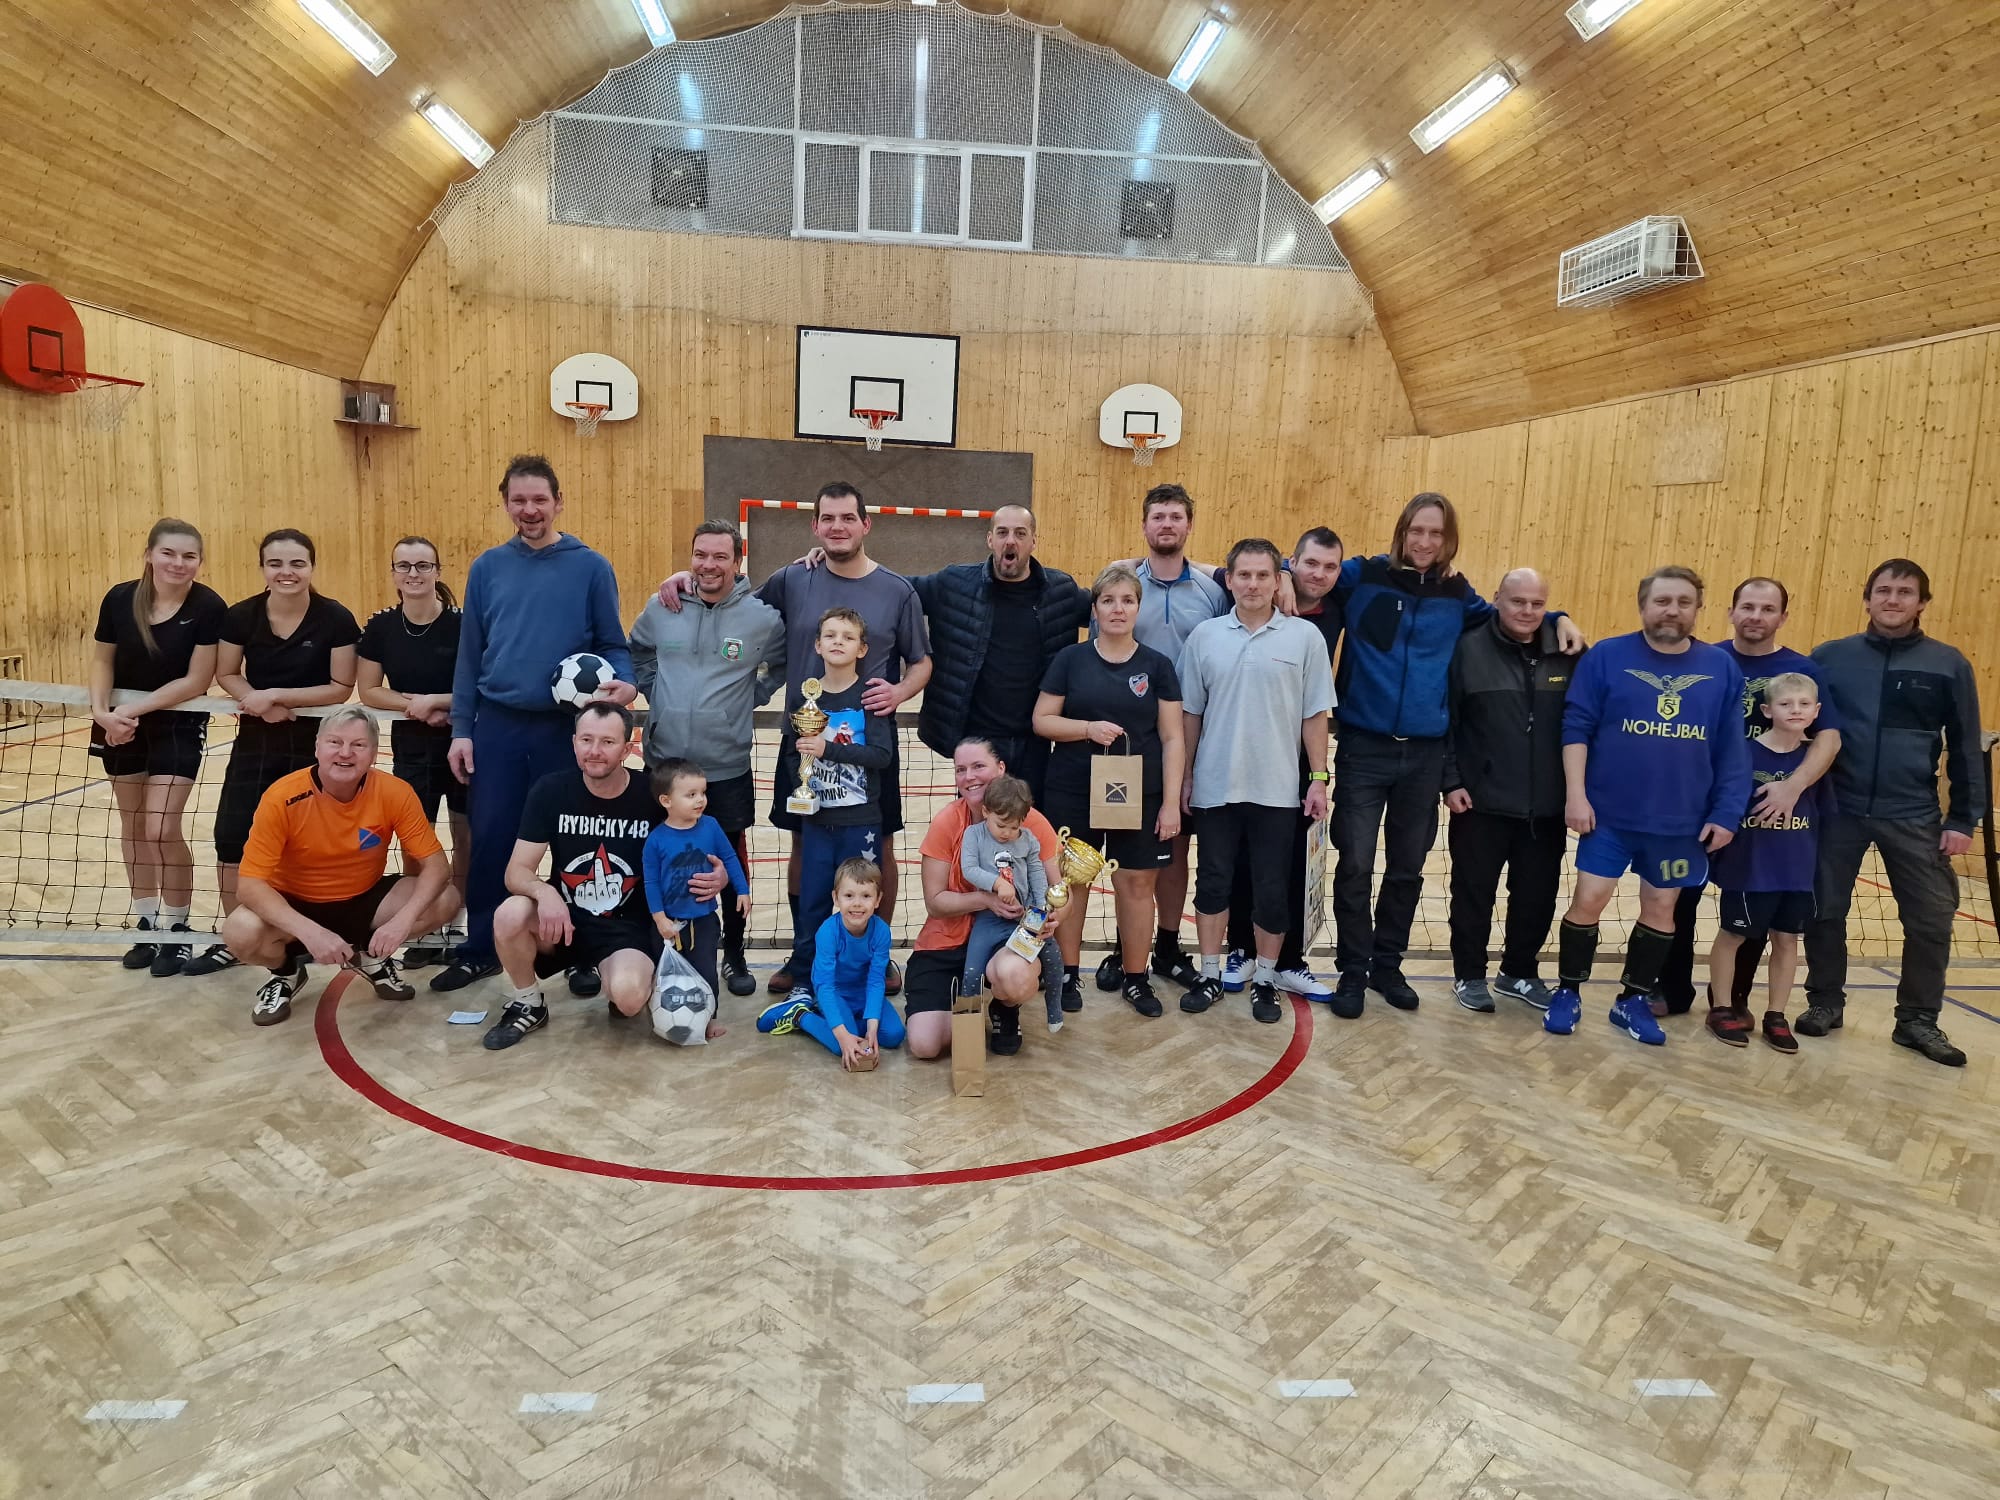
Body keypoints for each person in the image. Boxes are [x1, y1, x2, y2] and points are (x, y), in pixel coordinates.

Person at [657, 483, 931, 996]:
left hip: (867, 743)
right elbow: (734, 603)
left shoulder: (897, 591)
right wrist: (687, 580)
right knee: (804, 843)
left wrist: (899, 692)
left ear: (866, 524)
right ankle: (805, 955)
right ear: (815, 525)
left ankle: (877, 952)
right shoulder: (793, 578)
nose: (837, 527)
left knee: (878, 847)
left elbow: (921, 661)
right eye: (828, 518)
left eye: (847, 518)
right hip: (802, 739)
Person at [1324, 494, 1586, 1018]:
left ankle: (1387, 967)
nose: (1425, 542)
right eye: (1417, 530)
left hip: (1424, 757)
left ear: (1449, 540)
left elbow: (1512, 617)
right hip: (1363, 750)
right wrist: (1286, 576)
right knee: (1355, 865)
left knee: (1407, 869)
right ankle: (1352, 970)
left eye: (1436, 533)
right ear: (1402, 531)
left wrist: (1557, 616)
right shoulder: (1362, 576)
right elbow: (1311, 573)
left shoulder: (1458, 595)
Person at [437, 455, 636, 994]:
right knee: (492, 836)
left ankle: (580, 951)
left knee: (574, 840)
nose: (530, 510)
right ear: (506, 504)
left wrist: (627, 682)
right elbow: (470, 657)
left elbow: (612, 643)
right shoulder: (487, 568)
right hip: (498, 727)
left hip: (564, 730)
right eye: (519, 500)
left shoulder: (591, 567)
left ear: (558, 502)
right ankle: (481, 947)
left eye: (539, 500)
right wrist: (462, 728)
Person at [1551, 566, 1750, 1046]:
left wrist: (1726, 813)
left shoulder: (1721, 667)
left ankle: (1632, 1000)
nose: (1672, 610)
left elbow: (1732, 748)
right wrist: (1576, 795)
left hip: (1680, 825)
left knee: (1662, 908)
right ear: (1643, 605)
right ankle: (1568, 992)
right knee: (1588, 901)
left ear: (1698, 610)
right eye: (1662, 601)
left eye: (1683, 602)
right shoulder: (1607, 656)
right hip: (1608, 818)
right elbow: (1576, 727)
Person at [1801, 559, 1987, 1066]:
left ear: (1922, 603)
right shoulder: (1830, 658)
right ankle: (1824, 1001)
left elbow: (1966, 746)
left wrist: (1962, 819)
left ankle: (1917, 1020)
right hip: (1838, 807)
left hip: (1913, 812)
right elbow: (1802, 728)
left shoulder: (1948, 664)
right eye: (1883, 590)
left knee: (1931, 919)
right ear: (1867, 599)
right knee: (1823, 910)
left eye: (1905, 592)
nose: (1892, 600)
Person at [1656, 577, 1843, 1014]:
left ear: (1783, 617)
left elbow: (1829, 737)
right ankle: (1671, 989)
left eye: (1767, 609)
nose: (1756, 617)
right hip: (1699, 807)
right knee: (1677, 895)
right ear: (1731, 611)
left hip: (1764, 811)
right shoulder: (1706, 659)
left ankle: (1733, 998)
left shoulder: (1802, 670)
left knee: (1757, 905)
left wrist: (1792, 788)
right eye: (1748, 607)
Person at [183, 529, 360, 977]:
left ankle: (306, 933)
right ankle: (236, 937)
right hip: (256, 744)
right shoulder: (241, 616)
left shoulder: (336, 618)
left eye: (297, 563)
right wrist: (255, 701)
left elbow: (341, 687)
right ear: (262, 567)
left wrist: (277, 697)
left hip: (317, 749)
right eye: (276, 563)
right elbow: (227, 672)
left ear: (311, 567)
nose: (287, 572)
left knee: (310, 845)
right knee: (232, 837)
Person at [1177, 539, 1334, 1024]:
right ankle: (1209, 973)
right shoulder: (1204, 637)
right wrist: (1185, 777)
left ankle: (1266, 980)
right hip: (1215, 787)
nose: (1252, 584)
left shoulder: (1305, 638)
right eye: (1243, 575)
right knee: (1213, 883)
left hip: (1277, 790)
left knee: (1271, 888)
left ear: (1277, 579)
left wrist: (1318, 778)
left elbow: (1315, 714)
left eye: (1263, 575)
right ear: (1229, 580)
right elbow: (1190, 714)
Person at [222, 707, 457, 1026]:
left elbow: (437, 867)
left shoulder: (394, 792)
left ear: (373, 753)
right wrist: (310, 932)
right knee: (239, 931)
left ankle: (371, 958)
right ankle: (285, 974)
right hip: (296, 903)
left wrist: (402, 922)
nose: (345, 753)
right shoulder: (282, 797)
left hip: (364, 899)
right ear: (317, 747)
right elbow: (249, 885)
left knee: (446, 899)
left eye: (358, 745)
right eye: (335, 742)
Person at [628, 519, 784, 997]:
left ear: (737, 561)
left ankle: (733, 953)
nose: (708, 565)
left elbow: (781, 666)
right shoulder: (663, 605)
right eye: (701, 555)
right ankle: (655, 948)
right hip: (664, 764)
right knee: (658, 860)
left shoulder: (762, 618)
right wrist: (656, 693)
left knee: (728, 863)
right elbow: (637, 651)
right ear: (691, 557)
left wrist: (748, 699)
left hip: (725, 767)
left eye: (720, 556)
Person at [1034, 563, 1185, 1019]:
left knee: (1136, 883)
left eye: (1127, 601)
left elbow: (1173, 737)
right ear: (1095, 609)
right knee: (1073, 880)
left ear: (1138, 608)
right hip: (1073, 790)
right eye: (1108, 600)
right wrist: (1086, 729)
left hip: (1140, 795)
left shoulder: (1157, 666)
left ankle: (1136, 978)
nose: (1118, 609)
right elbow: (1042, 720)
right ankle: (1066, 973)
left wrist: (1171, 803)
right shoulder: (1070, 659)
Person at [89, 518, 227, 977]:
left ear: (199, 561)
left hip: (176, 724)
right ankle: (147, 924)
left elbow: (197, 679)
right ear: (149, 554)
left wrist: (134, 709)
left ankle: (178, 928)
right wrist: (103, 714)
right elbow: (102, 660)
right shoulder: (119, 598)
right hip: (119, 724)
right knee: (132, 825)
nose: (178, 563)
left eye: (189, 556)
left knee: (161, 827)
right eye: (168, 553)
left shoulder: (208, 606)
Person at [482, 703, 661, 1051]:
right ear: (574, 743)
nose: (594, 751)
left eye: (607, 742)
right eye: (586, 739)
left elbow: (690, 844)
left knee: (628, 1000)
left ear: (627, 749)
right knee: (509, 913)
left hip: (625, 927)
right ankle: (528, 1003)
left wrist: (714, 872)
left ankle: (617, 978)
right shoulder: (551, 790)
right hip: (561, 921)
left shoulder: (651, 794)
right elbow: (516, 871)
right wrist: (545, 894)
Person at [1216, 527, 1344, 1003]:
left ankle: (1288, 961)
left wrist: (1319, 776)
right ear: (1291, 565)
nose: (1319, 574)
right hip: (1238, 754)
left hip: (1296, 759)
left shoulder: (1337, 607)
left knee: (1288, 864)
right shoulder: (1244, 597)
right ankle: (1241, 949)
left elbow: (1316, 711)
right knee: (1239, 860)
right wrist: (1279, 577)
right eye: (1309, 564)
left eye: (1330, 567)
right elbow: (1219, 567)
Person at [1441, 568, 1573, 1015]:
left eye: (1538, 604)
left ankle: (1519, 972)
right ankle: (1469, 974)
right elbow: (1448, 721)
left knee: (1537, 896)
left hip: (1547, 807)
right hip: (1479, 802)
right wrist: (1451, 780)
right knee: (1473, 894)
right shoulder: (1467, 649)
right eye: (1518, 601)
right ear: (1497, 598)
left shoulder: (1567, 651)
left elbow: (1584, 724)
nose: (1528, 611)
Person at [1122, 484, 1229, 995]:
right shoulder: (1123, 583)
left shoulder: (1212, 590)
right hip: (1128, 740)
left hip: (1191, 736)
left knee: (1175, 846)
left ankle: (1167, 945)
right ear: (1145, 525)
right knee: (1128, 852)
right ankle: (1127, 952)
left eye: (1176, 517)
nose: (1167, 524)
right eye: (1158, 516)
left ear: (1189, 525)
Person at [908, 505, 1089, 803]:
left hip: (1034, 743)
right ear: (990, 539)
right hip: (978, 743)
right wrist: (839, 568)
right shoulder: (954, 584)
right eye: (1003, 532)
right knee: (978, 825)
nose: (1010, 541)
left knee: (1031, 825)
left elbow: (1113, 604)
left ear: (1034, 541)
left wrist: (1138, 565)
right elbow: (894, 590)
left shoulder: (1061, 591)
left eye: (1020, 533)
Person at [903, 738, 1062, 1059]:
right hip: (947, 941)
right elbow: (935, 902)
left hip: (1007, 937)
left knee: (1014, 977)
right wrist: (987, 900)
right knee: (925, 1045)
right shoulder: (949, 821)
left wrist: (1053, 917)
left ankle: (1005, 1008)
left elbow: (1059, 892)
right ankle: (957, 1005)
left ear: (1000, 769)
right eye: (960, 769)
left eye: (978, 766)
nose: (969, 777)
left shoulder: (1030, 822)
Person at [356, 536, 468, 968]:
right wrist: (415, 706)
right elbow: (369, 689)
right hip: (411, 746)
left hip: (463, 742)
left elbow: (479, 685)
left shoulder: (463, 624)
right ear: (393, 574)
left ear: (437, 571)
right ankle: (424, 922)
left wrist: (439, 702)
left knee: (465, 833)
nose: (413, 573)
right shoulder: (381, 626)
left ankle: (459, 920)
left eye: (423, 565)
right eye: (404, 566)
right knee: (416, 838)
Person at [778, 607, 894, 1007]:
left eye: (847, 637)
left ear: (862, 649)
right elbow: (793, 753)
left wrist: (829, 749)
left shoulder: (869, 697)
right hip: (817, 822)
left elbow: (881, 755)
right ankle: (805, 978)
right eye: (830, 635)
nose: (838, 642)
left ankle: (863, 976)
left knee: (860, 901)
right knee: (812, 902)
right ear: (817, 645)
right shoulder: (805, 696)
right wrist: (803, 787)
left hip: (859, 822)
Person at [1705, 673, 1827, 1054]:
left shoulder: (1816, 761)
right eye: (1786, 704)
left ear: (1816, 711)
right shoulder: (1743, 752)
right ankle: (1721, 1007)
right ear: (1766, 710)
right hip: (1750, 866)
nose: (1795, 710)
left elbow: (1824, 812)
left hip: (1796, 869)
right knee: (1733, 935)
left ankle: (1776, 1015)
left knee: (1787, 940)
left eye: (1804, 704)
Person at [760, 857, 906, 1069]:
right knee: (842, 1045)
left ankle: (845, 1022)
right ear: (836, 898)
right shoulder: (828, 932)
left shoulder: (881, 931)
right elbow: (824, 985)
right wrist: (842, 1035)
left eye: (866, 896)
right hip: (835, 992)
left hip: (863, 993)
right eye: (849, 896)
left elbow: (876, 981)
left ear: (878, 900)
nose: (857, 903)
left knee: (894, 1035)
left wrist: (872, 1026)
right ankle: (800, 1015)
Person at [642, 757, 750, 1041]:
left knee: (706, 972)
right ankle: (663, 1016)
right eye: (691, 795)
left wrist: (742, 890)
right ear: (666, 801)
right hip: (667, 923)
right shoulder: (656, 840)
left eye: (702, 792)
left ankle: (709, 1017)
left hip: (703, 920)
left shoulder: (711, 826)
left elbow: (730, 858)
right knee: (667, 975)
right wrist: (659, 919)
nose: (700, 800)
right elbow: (651, 883)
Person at [955, 776, 1064, 1033]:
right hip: (990, 918)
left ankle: (1054, 1008)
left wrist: (1041, 907)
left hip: (1025, 916)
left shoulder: (1028, 840)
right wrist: (996, 884)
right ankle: (967, 1028)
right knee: (972, 970)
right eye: (1001, 825)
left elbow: (1036, 873)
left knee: (1053, 955)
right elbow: (969, 869)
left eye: (1014, 827)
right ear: (985, 812)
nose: (1007, 833)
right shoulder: (974, 835)